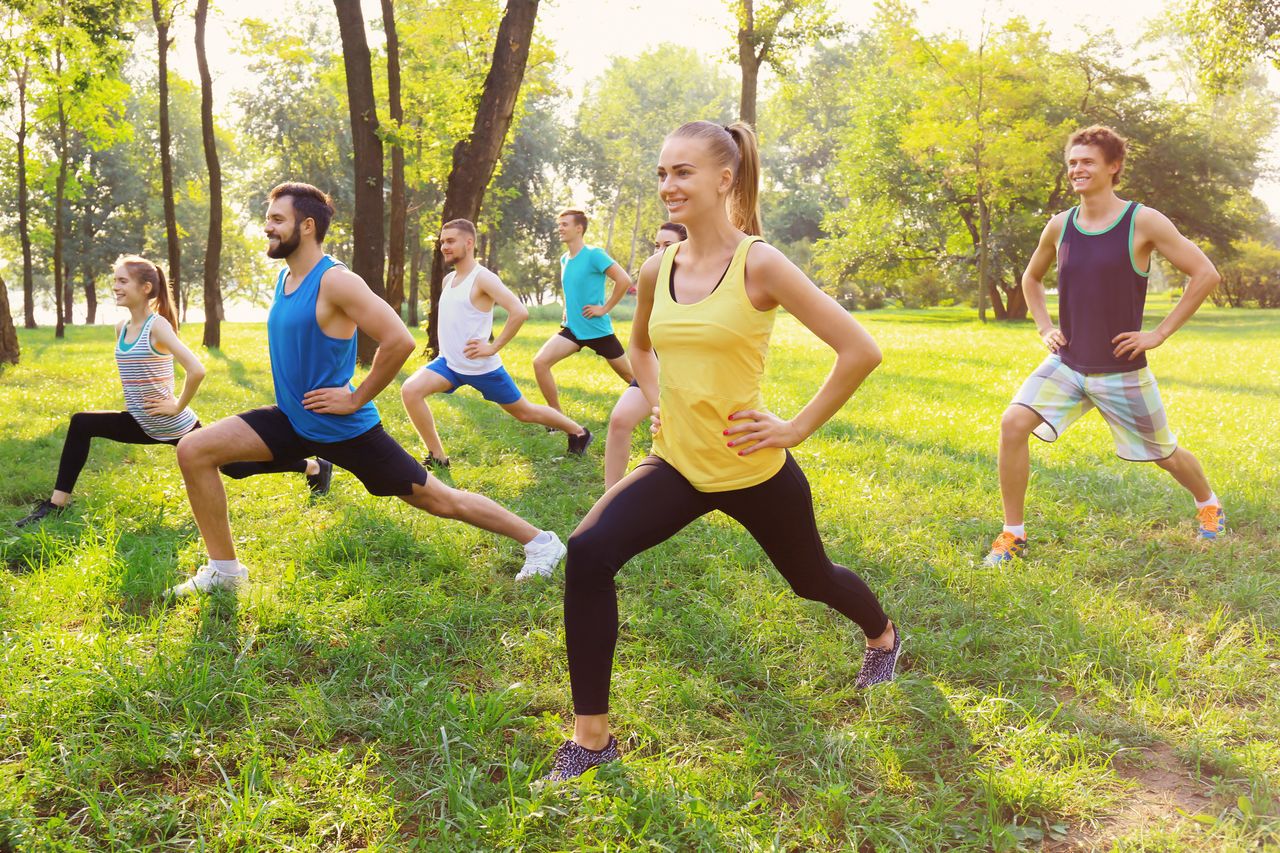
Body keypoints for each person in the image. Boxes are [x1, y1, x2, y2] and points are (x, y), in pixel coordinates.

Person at [542, 122, 901, 783]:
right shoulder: (657, 268)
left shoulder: (758, 263)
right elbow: (642, 346)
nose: (667, 185)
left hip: (752, 467)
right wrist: (655, 399)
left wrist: (793, 428)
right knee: (589, 551)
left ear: (723, 179)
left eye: (681, 172)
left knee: (811, 578)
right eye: (661, 173)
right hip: (677, 463)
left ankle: (882, 634)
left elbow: (860, 349)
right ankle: (591, 740)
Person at [167, 183, 567, 597]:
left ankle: (541, 543)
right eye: (268, 218)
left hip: (345, 431)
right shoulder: (286, 278)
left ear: (306, 226)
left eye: (276, 219)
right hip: (294, 418)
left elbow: (399, 340)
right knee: (194, 449)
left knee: (441, 500)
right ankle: (225, 571)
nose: (267, 227)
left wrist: (357, 398)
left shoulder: (336, 281)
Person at [983, 125, 1224, 567]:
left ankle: (1208, 501)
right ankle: (1012, 534)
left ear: (1114, 168)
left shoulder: (1143, 221)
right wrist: (1043, 327)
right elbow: (1030, 278)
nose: (1077, 169)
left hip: (1122, 370)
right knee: (1013, 424)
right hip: (1068, 365)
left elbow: (1205, 274)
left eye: (1087, 161)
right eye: (1072, 162)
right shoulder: (1059, 226)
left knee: (1165, 455)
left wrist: (1158, 333)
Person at [15, 255, 331, 529]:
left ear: (146, 288)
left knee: (234, 468)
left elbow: (197, 369)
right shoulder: (121, 327)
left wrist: (177, 405)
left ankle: (313, 466)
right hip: (141, 421)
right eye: (115, 281)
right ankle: (57, 503)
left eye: (123, 281)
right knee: (82, 422)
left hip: (173, 425)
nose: (116, 287)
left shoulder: (158, 326)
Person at [400, 219, 593, 466]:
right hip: (449, 364)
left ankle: (578, 431)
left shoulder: (483, 278)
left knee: (525, 412)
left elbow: (519, 311)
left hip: (482, 368)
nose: (444, 247)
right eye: (442, 242)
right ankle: (438, 457)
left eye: (450, 241)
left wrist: (493, 347)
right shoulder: (449, 280)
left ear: (468, 243)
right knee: (410, 390)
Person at [603, 221, 686, 489]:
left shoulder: (700, 283)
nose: (660, 252)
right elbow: (640, 343)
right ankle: (609, 497)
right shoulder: (651, 281)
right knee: (619, 419)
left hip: (689, 369)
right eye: (657, 245)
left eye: (668, 245)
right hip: (653, 364)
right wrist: (657, 403)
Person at [531, 209, 635, 418]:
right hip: (573, 330)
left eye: (564, 224)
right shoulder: (564, 259)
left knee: (630, 376)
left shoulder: (594, 254)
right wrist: (567, 311)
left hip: (597, 329)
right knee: (540, 363)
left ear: (579, 228)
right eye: (559, 224)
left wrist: (604, 308)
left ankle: (663, 409)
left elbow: (623, 280)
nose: (559, 228)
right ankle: (556, 416)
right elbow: (574, 289)